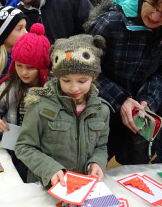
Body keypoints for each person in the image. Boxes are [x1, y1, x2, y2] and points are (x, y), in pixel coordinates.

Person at [85, 0, 162, 165]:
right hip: (100, 114)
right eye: (154, 3)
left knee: (131, 176)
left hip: (140, 119)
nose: (156, 16)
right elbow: (85, 71)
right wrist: (122, 100)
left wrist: (148, 100)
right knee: (90, 169)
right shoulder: (110, 22)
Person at [15, 34, 109, 187]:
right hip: (46, 188)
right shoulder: (39, 105)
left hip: (83, 188)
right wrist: (50, 169)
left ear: (94, 77)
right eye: (66, 80)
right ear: (57, 77)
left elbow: (101, 146)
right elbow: (24, 146)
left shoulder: (102, 109)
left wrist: (97, 162)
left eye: (82, 81)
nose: (74, 88)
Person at [0, 23, 50, 182]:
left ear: (42, 68)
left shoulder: (51, 91)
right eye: (19, 65)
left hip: (43, 153)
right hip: (14, 150)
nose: (23, 72)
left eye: (30, 67)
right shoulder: (9, 86)